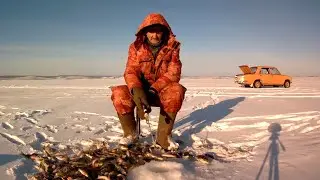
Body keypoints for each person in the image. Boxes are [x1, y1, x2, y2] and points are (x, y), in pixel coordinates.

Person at [110, 13, 186, 150]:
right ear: (145, 31)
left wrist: (153, 89)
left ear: (164, 32)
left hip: (160, 92)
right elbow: (131, 70)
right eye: (151, 31)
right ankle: (130, 134)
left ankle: (163, 139)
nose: (154, 35)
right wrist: (137, 90)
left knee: (176, 90)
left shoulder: (173, 48)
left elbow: (174, 73)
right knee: (119, 92)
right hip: (141, 91)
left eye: (158, 31)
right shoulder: (135, 48)